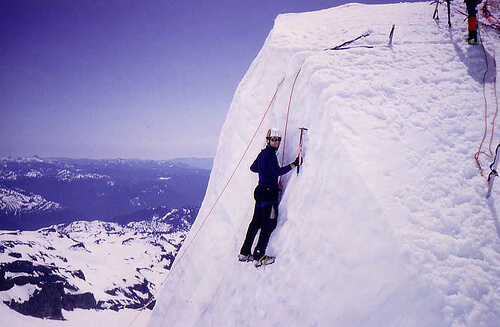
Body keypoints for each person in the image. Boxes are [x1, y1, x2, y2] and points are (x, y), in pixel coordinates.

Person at [238, 127, 301, 267]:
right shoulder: (270, 154)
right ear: (268, 140)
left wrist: (265, 169)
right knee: (269, 225)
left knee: (255, 223)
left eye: (278, 140)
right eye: (274, 139)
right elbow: (278, 171)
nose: (277, 142)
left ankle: (244, 252)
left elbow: (253, 168)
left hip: (260, 192)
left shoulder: (263, 154)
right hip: (269, 196)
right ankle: (258, 256)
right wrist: (294, 164)